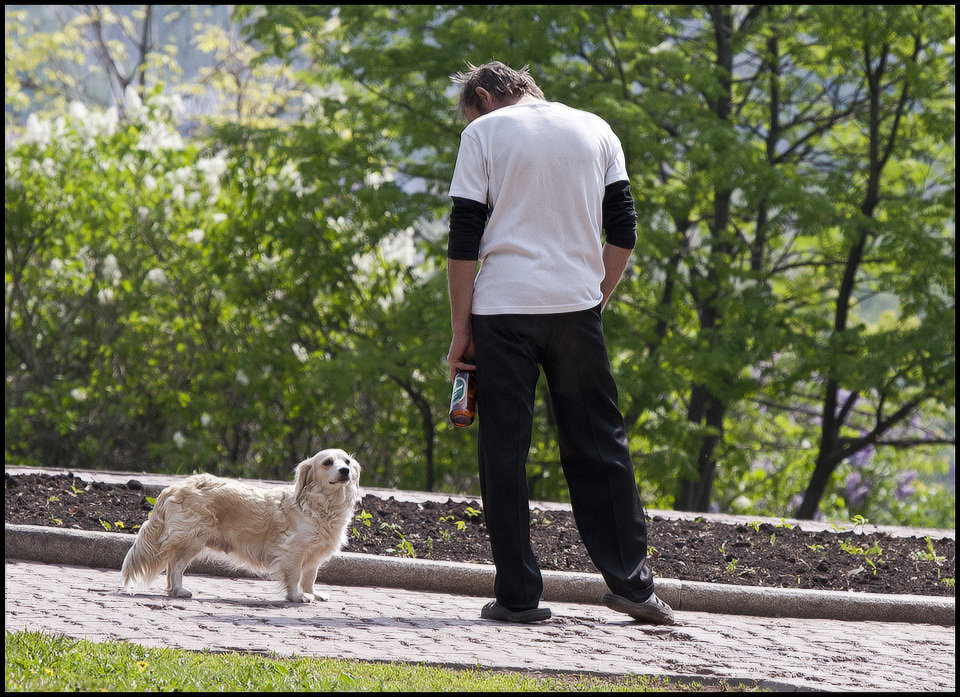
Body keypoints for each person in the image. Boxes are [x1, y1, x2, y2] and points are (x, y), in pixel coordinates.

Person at [445, 61, 674, 625]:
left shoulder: (483, 134)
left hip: (502, 313)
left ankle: (519, 596)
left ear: (482, 98)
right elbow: (624, 231)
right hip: (575, 311)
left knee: (505, 452)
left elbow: (463, 240)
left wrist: (460, 332)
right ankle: (634, 588)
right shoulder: (596, 128)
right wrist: (595, 297)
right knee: (600, 445)